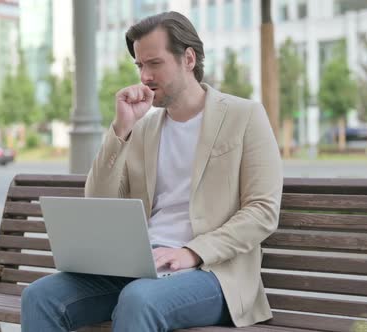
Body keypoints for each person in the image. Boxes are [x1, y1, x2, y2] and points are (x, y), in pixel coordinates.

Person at [21, 11, 282, 331]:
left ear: (188, 58)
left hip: (214, 274)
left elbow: (262, 211)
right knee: (41, 296)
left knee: (139, 298)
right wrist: (121, 129)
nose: (144, 76)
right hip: (141, 268)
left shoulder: (245, 116)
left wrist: (193, 252)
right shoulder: (143, 130)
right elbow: (98, 199)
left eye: (154, 63)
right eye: (140, 66)